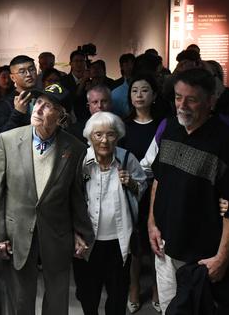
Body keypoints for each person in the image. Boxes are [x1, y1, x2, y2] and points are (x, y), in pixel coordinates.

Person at [147, 68, 229, 312]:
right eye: (177, 97)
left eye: (191, 99)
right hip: (164, 249)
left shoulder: (226, 143)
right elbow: (158, 180)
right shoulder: (171, 129)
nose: (182, 105)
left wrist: (222, 258)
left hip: (201, 259)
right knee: (168, 309)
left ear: (210, 100)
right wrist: (152, 224)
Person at [0, 83, 94, 315]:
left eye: (48, 106)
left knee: (57, 297)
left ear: (61, 116)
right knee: (21, 297)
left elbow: (75, 195)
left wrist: (80, 232)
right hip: (17, 232)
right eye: (39, 102)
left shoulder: (74, 149)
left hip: (57, 232)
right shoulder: (8, 140)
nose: (38, 108)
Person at [74, 111, 147, 315]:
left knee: (117, 296)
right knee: (88, 295)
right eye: (98, 135)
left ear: (118, 136)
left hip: (118, 242)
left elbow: (141, 188)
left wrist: (131, 183)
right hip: (87, 242)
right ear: (90, 137)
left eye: (110, 134)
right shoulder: (81, 160)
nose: (104, 140)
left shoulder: (126, 159)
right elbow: (71, 199)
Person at [118, 74, 163, 313]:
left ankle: (157, 288)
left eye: (144, 90)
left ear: (154, 95)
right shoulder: (123, 126)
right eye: (134, 91)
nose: (139, 95)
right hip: (131, 191)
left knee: (157, 241)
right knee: (134, 243)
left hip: (158, 190)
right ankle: (134, 288)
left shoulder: (163, 125)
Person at [0, 55, 37, 142]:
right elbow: (1, 137)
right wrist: (17, 113)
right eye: (22, 71)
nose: (28, 74)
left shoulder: (42, 96)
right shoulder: (5, 103)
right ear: (12, 78)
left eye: (31, 69)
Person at [60, 50, 90, 121]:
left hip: (88, 118)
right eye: (76, 61)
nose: (79, 64)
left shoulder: (90, 81)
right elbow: (71, 99)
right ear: (71, 63)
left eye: (82, 61)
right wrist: (83, 81)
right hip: (70, 119)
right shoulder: (64, 80)